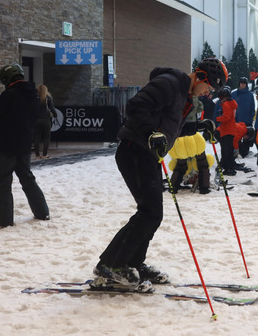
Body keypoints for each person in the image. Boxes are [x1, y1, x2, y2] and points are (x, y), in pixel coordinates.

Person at [93, 57, 226, 289]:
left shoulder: (185, 96)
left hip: (149, 153)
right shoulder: (171, 83)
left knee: (153, 213)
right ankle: (112, 263)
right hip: (134, 149)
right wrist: (150, 134)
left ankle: (133, 262)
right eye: (209, 87)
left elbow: (173, 127)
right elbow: (136, 106)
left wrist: (200, 126)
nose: (208, 93)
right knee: (150, 212)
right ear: (200, 77)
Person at [0, 63, 50, 228]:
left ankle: (4, 220)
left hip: (7, 145)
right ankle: (42, 212)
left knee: (3, 182)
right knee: (28, 180)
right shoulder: (33, 94)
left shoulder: (9, 94)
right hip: (24, 145)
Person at [169, 95, 212, 193]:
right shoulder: (195, 97)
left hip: (179, 135)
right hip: (193, 135)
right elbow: (201, 107)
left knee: (180, 164)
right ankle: (204, 187)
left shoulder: (177, 97)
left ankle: (173, 186)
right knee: (202, 162)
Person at [232, 77, 256, 157]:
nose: (242, 85)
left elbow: (252, 107)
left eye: (244, 83)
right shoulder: (234, 94)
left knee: (246, 138)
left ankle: (244, 152)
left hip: (247, 120)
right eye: (241, 83)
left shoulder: (250, 95)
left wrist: (251, 118)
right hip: (236, 120)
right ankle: (235, 151)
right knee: (236, 137)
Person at [34, 84, 56, 159]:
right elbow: (52, 108)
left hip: (36, 120)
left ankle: (37, 155)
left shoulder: (35, 98)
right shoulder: (48, 98)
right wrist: (55, 115)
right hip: (46, 120)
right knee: (46, 138)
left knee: (37, 138)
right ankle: (44, 154)